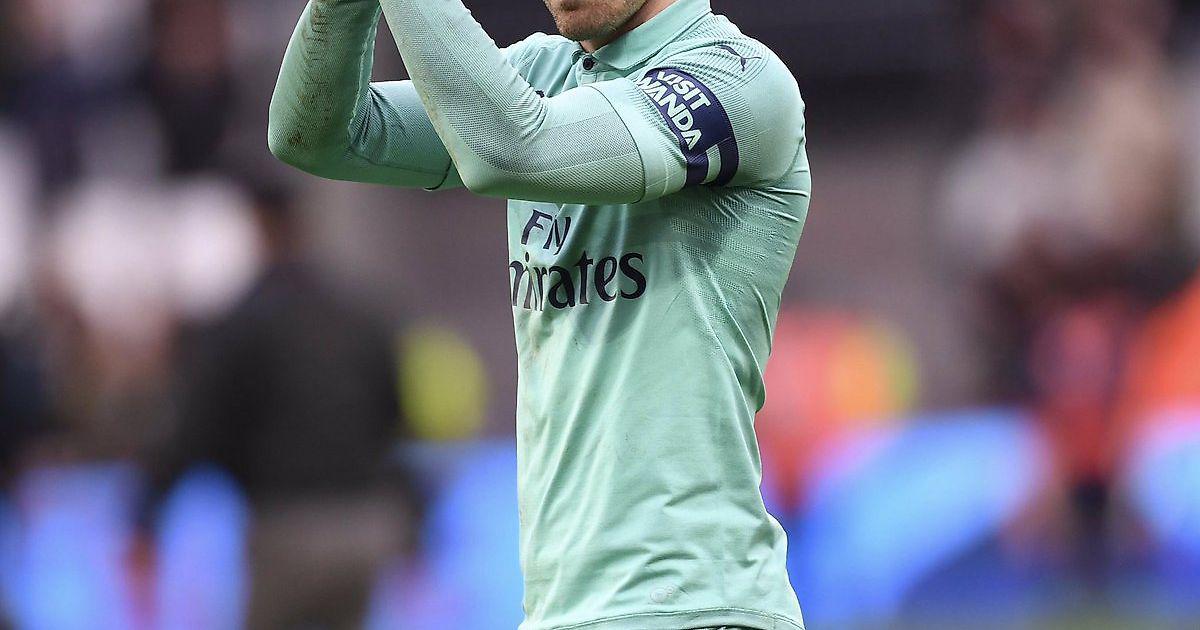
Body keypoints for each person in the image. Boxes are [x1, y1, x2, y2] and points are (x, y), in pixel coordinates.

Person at [268, 0, 811, 628]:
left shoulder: (737, 79)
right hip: (562, 611)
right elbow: (318, 137)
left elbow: (512, 146)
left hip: (694, 604)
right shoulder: (543, 73)